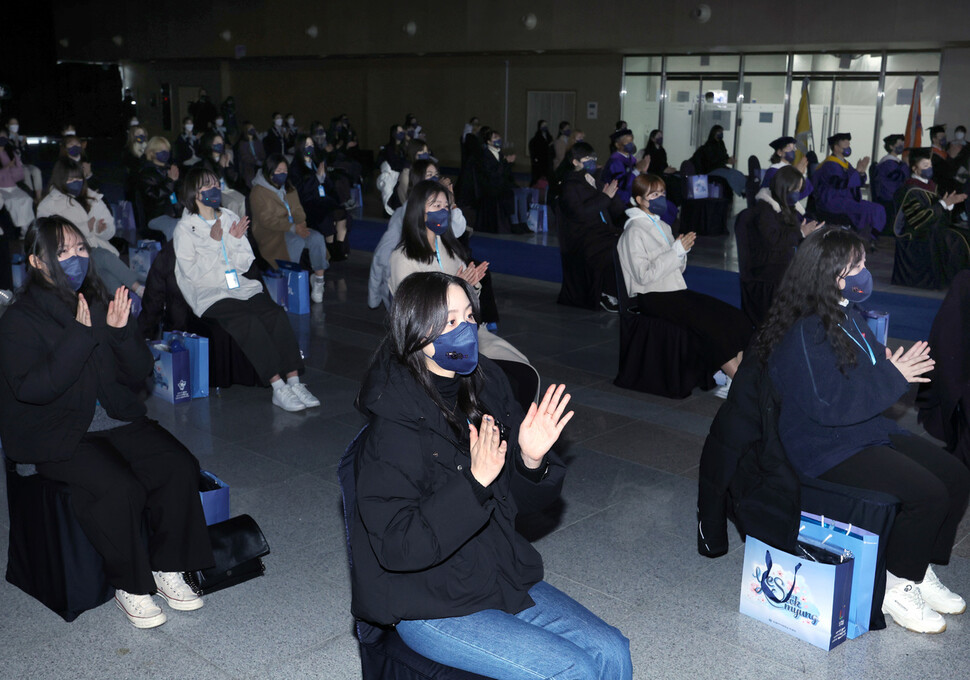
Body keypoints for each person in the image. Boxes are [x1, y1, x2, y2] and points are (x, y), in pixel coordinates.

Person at [349, 270, 633, 680]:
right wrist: (474, 484)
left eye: (468, 316)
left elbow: (519, 503)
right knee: (574, 671)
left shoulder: (486, 387)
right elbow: (398, 547)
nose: (465, 328)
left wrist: (529, 460)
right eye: (449, 321)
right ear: (416, 333)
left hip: (494, 571)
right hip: (428, 602)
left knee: (612, 653)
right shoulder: (393, 426)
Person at [0, 216, 215, 629]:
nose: (76, 258)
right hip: (55, 428)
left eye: (81, 249)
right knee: (120, 487)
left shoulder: (97, 301)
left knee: (177, 465)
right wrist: (79, 338)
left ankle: (166, 566)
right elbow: (34, 389)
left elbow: (138, 372)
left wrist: (120, 333)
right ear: (37, 261)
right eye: (62, 252)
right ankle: (130, 586)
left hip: (110, 417)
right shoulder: (18, 320)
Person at [755, 225, 970, 634]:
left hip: (859, 430)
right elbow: (829, 404)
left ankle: (918, 570)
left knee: (956, 476)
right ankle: (898, 585)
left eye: (863, 263)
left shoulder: (844, 312)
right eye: (855, 266)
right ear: (827, 273)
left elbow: (863, 373)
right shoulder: (805, 329)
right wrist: (893, 375)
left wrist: (887, 363)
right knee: (928, 493)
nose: (864, 273)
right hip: (824, 446)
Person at [173, 167, 320, 412]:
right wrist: (213, 242)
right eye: (207, 186)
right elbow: (193, 273)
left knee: (275, 313)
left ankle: (294, 381)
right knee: (247, 320)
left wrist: (233, 240)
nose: (215, 189)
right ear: (194, 193)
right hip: (210, 293)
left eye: (216, 184)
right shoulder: (185, 229)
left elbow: (243, 263)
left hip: (239, 286)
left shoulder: (229, 216)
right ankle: (278, 388)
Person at [388, 180, 537, 405]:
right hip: (436, 343)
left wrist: (471, 285)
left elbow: (468, 306)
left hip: (470, 332)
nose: (443, 211)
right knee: (501, 382)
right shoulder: (403, 257)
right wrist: (456, 286)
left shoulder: (449, 247)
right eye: (436, 205)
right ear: (419, 210)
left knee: (524, 370)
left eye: (446, 206)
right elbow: (415, 313)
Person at [618, 174, 751, 396]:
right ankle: (739, 386)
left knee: (733, 317)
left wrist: (681, 252)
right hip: (653, 296)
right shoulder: (633, 231)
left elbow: (677, 268)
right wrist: (676, 252)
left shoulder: (662, 225)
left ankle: (732, 376)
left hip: (674, 291)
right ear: (640, 200)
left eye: (662, 193)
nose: (660, 198)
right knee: (711, 325)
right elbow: (644, 276)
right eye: (654, 194)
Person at [368, 160, 467, 310]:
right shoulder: (402, 254)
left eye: (436, 175)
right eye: (429, 175)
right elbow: (382, 253)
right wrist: (373, 296)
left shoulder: (445, 245)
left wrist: (468, 284)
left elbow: (458, 229)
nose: (434, 178)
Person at [37, 158, 144, 296]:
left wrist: (101, 230)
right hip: (70, 257)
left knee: (111, 280)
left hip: (96, 252)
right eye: (70, 179)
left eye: (78, 178)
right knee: (104, 256)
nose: (75, 183)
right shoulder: (49, 204)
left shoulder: (92, 197)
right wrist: (85, 227)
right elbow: (47, 234)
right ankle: (139, 288)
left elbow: (109, 231)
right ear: (60, 179)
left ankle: (124, 310)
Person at [742, 166, 823, 325]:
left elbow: (794, 232)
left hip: (781, 259)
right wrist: (801, 233)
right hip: (766, 267)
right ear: (783, 187)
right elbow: (773, 240)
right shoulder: (764, 209)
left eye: (799, 189)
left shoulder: (787, 206)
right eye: (794, 189)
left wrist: (811, 232)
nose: (797, 193)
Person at [558, 141, 626, 312]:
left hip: (602, 230)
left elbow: (613, 207)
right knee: (613, 249)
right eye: (587, 158)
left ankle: (625, 292)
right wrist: (605, 197)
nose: (592, 161)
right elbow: (580, 213)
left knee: (628, 242)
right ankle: (605, 293)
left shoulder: (594, 179)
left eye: (593, 158)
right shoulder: (570, 185)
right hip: (584, 235)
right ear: (575, 162)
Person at [250, 154, 328, 303]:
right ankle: (289, 283)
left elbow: (298, 210)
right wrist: (292, 227)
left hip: (293, 228)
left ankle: (318, 280)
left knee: (317, 238)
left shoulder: (290, 188)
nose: (283, 174)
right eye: (279, 170)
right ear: (270, 171)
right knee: (296, 242)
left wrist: (301, 223)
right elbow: (266, 220)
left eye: (285, 170)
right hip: (271, 232)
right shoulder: (258, 191)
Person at [891, 148, 970, 288]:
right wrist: (943, 204)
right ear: (915, 169)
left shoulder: (930, 186)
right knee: (955, 241)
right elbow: (918, 219)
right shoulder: (910, 190)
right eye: (925, 166)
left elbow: (938, 213)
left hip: (931, 230)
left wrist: (948, 205)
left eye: (930, 165)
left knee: (963, 234)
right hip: (917, 235)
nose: (929, 169)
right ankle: (957, 283)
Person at [811, 132, 885, 242]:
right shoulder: (829, 164)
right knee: (867, 209)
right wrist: (857, 172)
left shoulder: (845, 164)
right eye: (845, 144)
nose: (848, 147)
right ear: (836, 147)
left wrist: (861, 173)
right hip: (832, 201)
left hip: (846, 199)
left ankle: (870, 237)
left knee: (878, 208)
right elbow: (840, 183)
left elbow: (857, 181)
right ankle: (863, 238)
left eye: (848, 145)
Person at [289, 135, 349, 261]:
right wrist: (316, 178)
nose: (309, 148)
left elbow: (328, 185)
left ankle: (340, 247)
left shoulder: (316, 163)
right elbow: (300, 190)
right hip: (309, 201)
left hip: (323, 198)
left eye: (311, 145)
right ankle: (330, 249)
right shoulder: (295, 167)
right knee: (326, 218)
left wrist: (324, 178)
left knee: (342, 213)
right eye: (306, 145)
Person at [476, 128, 529, 233]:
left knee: (522, 193)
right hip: (492, 186)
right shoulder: (485, 155)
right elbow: (493, 174)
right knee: (511, 195)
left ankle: (523, 222)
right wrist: (505, 161)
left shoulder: (500, 153)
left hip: (502, 183)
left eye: (499, 137)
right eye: (495, 138)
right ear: (488, 141)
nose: (498, 139)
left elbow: (505, 173)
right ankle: (514, 224)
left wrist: (509, 163)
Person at [133, 136, 180, 241]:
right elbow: (154, 196)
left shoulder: (169, 169)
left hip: (174, 212)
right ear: (151, 153)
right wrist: (170, 181)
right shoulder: (146, 173)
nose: (166, 153)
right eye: (161, 151)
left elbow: (177, 195)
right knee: (176, 228)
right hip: (155, 216)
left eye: (167, 150)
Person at [690, 125, 746, 197]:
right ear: (714, 133)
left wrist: (729, 159)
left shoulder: (721, 143)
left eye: (722, 132)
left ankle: (745, 189)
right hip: (711, 169)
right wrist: (726, 161)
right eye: (719, 132)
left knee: (738, 173)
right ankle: (741, 191)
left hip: (720, 167)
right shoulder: (709, 146)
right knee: (730, 176)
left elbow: (724, 156)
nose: (721, 134)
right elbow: (712, 161)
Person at [600, 128, 650, 205]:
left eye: (632, 141)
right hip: (620, 198)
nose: (631, 144)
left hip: (632, 193)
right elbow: (622, 184)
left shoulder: (631, 158)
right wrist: (637, 170)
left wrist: (643, 171)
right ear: (617, 145)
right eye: (627, 142)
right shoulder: (615, 161)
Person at [199, 132, 245, 216]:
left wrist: (227, 166)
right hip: (215, 191)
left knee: (242, 199)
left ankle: (242, 227)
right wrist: (220, 167)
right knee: (232, 203)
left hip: (227, 189)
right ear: (210, 144)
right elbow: (212, 181)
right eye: (216, 143)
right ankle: (232, 226)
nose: (220, 145)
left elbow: (234, 179)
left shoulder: (224, 157)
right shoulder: (206, 162)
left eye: (221, 143)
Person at [0, 130, 34, 235]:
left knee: (26, 199)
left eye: (4, 137)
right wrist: (6, 168)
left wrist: (16, 167)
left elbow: (19, 176)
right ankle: (16, 229)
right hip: (1, 188)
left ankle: (26, 230)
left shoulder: (11, 153)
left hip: (13, 186)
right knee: (12, 202)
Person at [760, 136, 812, 202]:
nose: (792, 151)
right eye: (789, 148)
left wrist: (802, 175)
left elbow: (803, 192)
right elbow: (785, 195)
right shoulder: (773, 171)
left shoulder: (790, 168)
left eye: (793, 148)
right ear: (779, 152)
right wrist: (797, 174)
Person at [3, 117, 42, 202]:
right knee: (26, 173)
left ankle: (38, 198)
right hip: (14, 166)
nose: (15, 126)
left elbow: (29, 155)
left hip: (24, 163)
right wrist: (15, 143)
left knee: (36, 171)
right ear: (7, 125)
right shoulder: (5, 138)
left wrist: (24, 145)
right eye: (12, 124)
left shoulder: (21, 138)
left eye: (16, 124)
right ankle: (30, 196)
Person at [871, 134, 908, 221]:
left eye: (903, 144)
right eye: (899, 144)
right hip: (889, 196)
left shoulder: (895, 162)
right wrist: (906, 165)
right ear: (891, 146)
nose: (902, 146)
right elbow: (899, 177)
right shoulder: (888, 162)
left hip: (893, 195)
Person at [235, 122, 266, 190]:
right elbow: (245, 157)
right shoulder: (242, 143)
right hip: (248, 165)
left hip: (259, 163)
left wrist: (261, 161)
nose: (253, 130)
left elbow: (262, 153)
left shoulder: (257, 141)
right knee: (250, 176)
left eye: (253, 128)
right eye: (250, 128)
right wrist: (255, 162)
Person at [528, 119, 555, 186]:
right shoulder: (536, 139)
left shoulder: (549, 137)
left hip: (548, 162)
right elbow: (537, 151)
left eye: (546, 125)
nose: (545, 127)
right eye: (543, 125)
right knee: (537, 179)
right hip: (540, 163)